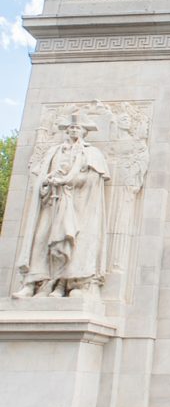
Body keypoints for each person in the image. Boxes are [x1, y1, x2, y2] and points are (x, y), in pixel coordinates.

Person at [14, 112, 110, 298]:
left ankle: (63, 285)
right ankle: (34, 284)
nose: (74, 130)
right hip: (52, 202)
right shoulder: (55, 152)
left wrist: (68, 181)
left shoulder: (91, 153)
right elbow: (40, 177)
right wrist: (48, 182)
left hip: (77, 206)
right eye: (71, 127)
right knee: (42, 239)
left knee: (70, 242)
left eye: (77, 127)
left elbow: (93, 180)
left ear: (84, 132)